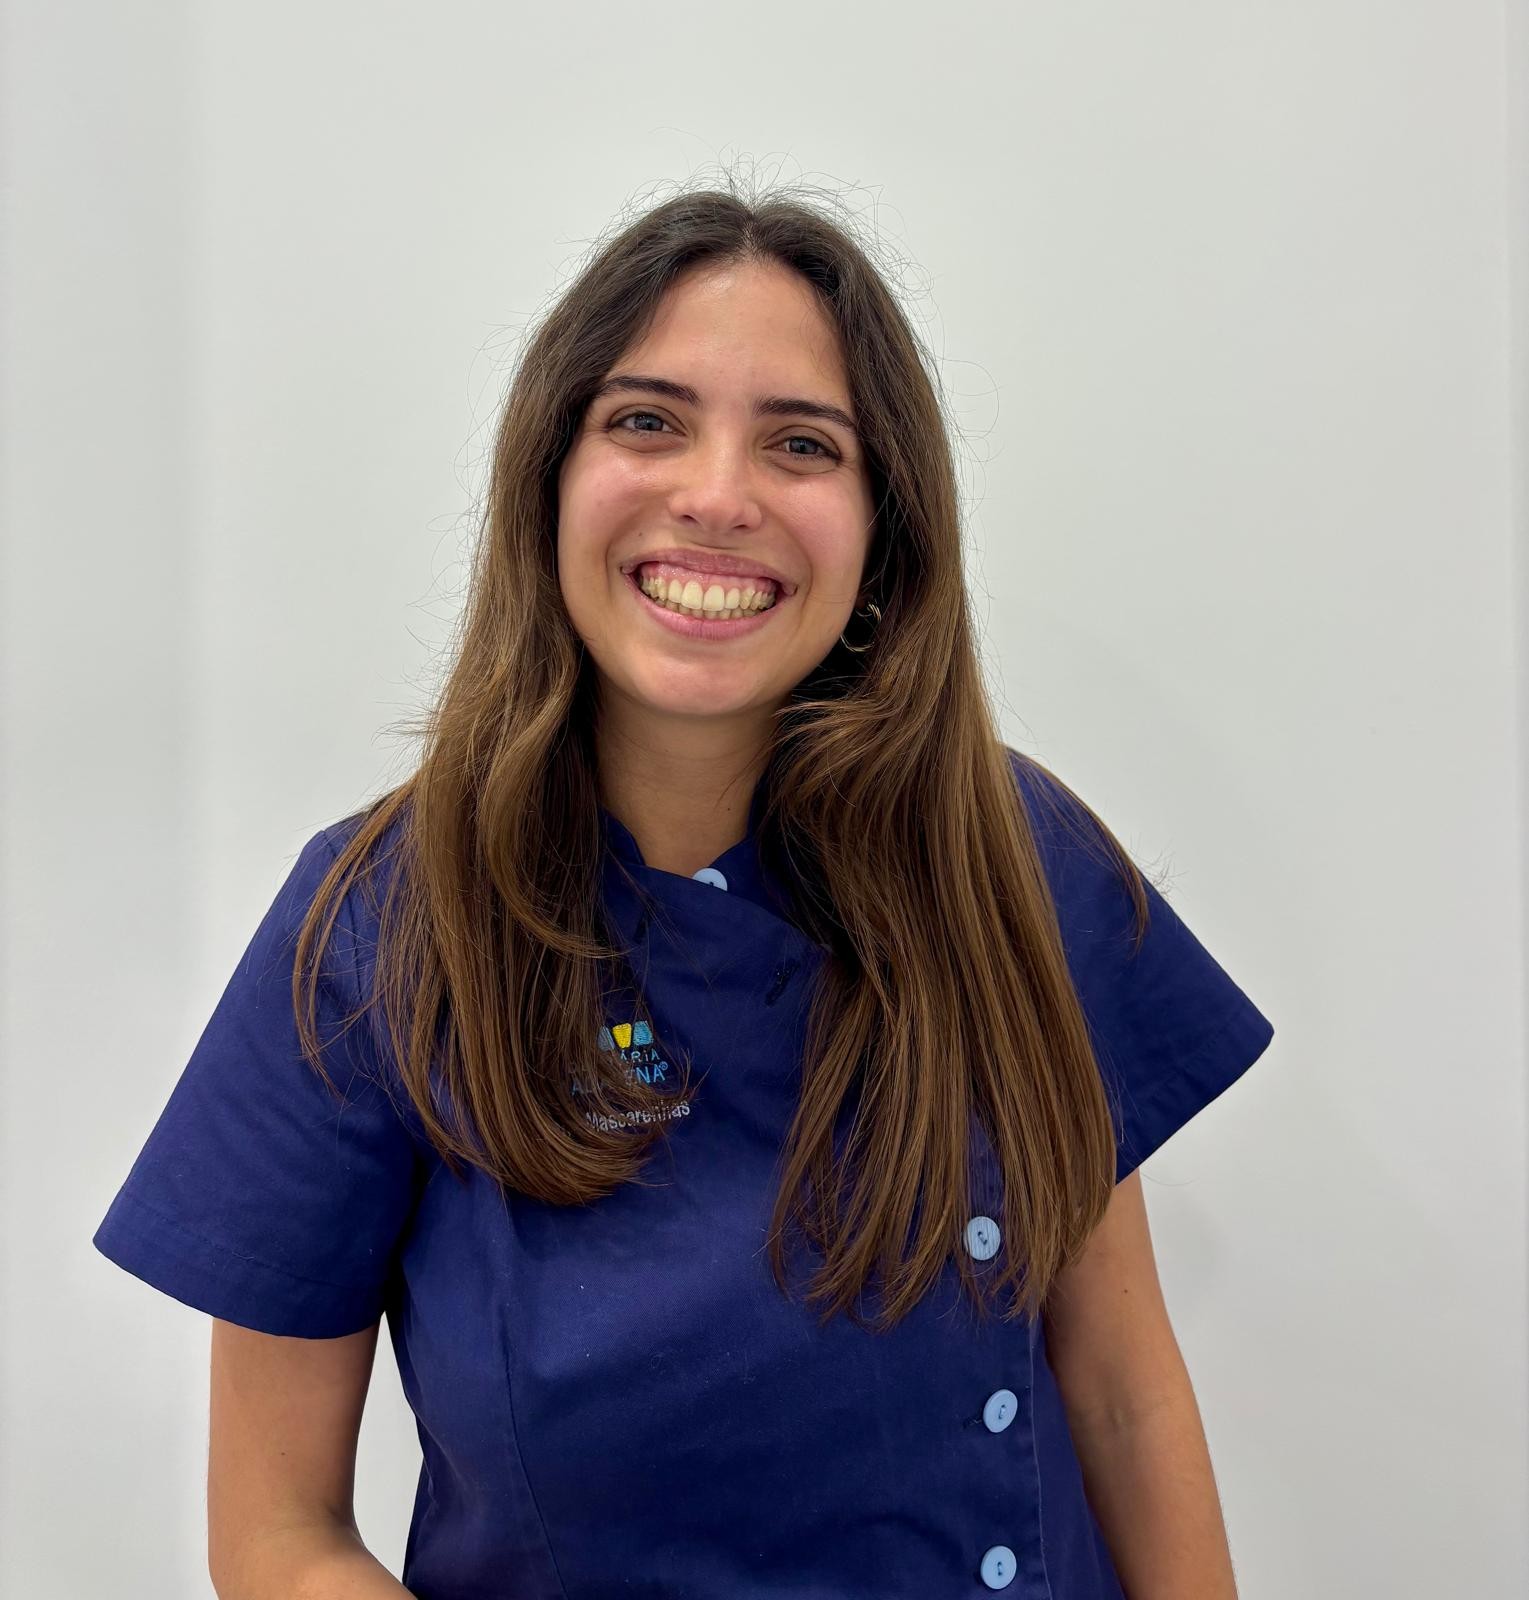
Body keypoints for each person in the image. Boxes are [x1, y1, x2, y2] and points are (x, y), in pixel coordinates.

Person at [93, 182, 1276, 1600]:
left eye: (801, 443)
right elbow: (278, 1535)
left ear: (883, 529)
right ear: (548, 479)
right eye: (647, 421)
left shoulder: (1009, 857)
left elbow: (1125, 1392)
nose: (719, 496)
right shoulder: (377, 930)